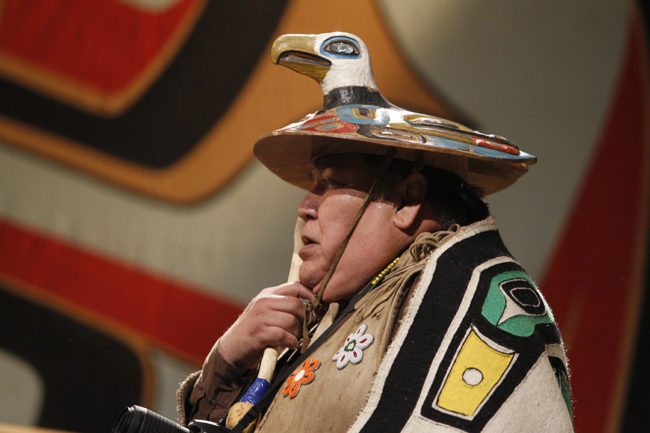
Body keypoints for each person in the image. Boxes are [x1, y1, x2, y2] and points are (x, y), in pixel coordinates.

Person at [177, 32, 574, 432]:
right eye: (313, 182)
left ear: (407, 199)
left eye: (330, 183)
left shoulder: (486, 301)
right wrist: (228, 363)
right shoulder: (328, 318)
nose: (305, 207)